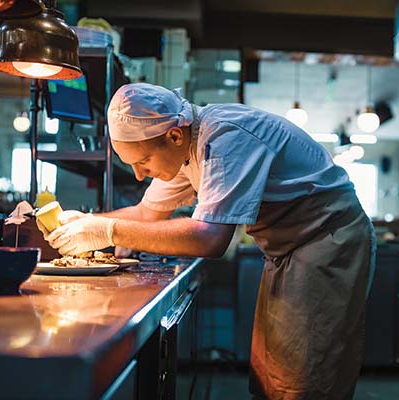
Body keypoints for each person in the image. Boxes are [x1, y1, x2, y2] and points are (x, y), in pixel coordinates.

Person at [39, 83, 376, 400]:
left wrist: (106, 231)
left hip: (327, 241)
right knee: (275, 371)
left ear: (173, 135)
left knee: (306, 376)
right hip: (288, 250)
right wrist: (85, 222)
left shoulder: (225, 139)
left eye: (143, 162)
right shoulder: (184, 149)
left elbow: (210, 239)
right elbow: (146, 213)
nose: (140, 175)